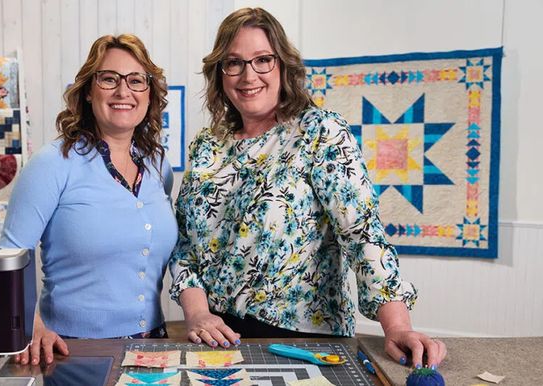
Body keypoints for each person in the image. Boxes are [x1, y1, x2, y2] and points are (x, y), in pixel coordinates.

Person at [169, 7, 447, 370]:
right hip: (214, 336)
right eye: (233, 62)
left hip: (305, 339)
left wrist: (397, 327)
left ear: (284, 65)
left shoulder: (320, 132)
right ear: (219, 73)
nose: (248, 75)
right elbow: (186, 244)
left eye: (263, 60)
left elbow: (362, 234)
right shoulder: (208, 145)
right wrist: (197, 315)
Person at [0, 34, 177, 366]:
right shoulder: (52, 164)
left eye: (136, 80)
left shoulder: (157, 165)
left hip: (154, 348)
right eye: (109, 79)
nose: (123, 91)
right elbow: (10, 257)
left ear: (149, 93)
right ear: (87, 92)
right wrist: (31, 327)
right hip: (71, 351)